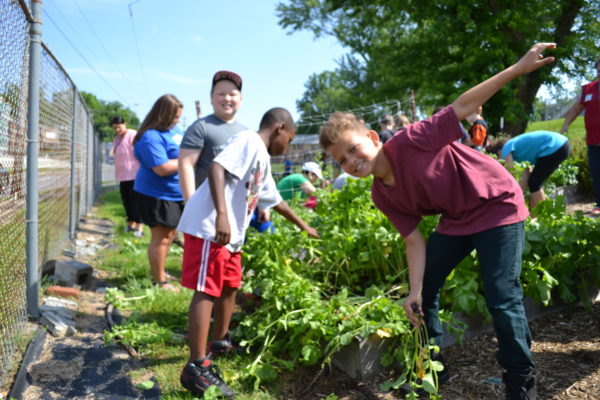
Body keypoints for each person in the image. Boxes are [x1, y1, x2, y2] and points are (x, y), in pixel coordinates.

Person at [319, 43, 557, 400]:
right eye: (342, 160)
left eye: (353, 149)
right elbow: (414, 240)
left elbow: (461, 107)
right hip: (458, 218)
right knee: (424, 291)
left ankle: (520, 379)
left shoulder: (412, 140)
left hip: (496, 204)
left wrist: (517, 69)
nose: (352, 162)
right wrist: (413, 291)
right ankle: (432, 366)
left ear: (371, 137)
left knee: (501, 295)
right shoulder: (380, 194)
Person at [177, 107, 319, 399]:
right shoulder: (249, 141)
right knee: (207, 290)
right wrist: (222, 215)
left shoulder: (262, 158)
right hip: (211, 227)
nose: (287, 146)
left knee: (230, 284)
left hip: (231, 237)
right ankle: (196, 368)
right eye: (289, 139)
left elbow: (275, 200)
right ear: (280, 128)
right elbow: (217, 168)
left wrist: (305, 226)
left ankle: (219, 343)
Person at [133, 94, 184, 291]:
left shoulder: (174, 131)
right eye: (175, 116)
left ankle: (160, 271)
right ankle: (159, 282)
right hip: (156, 194)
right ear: (163, 115)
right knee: (161, 238)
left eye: (179, 116)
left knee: (170, 235)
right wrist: (188, 161)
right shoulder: (150, 137)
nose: (178, 121)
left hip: (174, 193)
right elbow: (161, 168)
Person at [178, 70, 247, 202]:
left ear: (240, 99)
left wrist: (261, 205)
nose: (227, 98)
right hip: (207, 206)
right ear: (211, 98)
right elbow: (186, 164)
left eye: (232, 94)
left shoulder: (245, 132)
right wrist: (191, 203)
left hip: (237, 205)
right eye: (221, 94)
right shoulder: (200, 127)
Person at [560, 58, 600, 214]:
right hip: (593, 140)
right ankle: (599, 204)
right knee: (596, 172)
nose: (599, 72)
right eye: (598, 70)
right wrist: (565, 126)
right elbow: (576, 109)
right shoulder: (588, 89)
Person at [490, 131, 570, 209]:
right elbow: (525, 177)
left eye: (498, 161)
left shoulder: (505, 149)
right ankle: (540, 215)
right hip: (561, 144)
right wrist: (519, 195)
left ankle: (537, 218)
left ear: (499, 152)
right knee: (534, 182)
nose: (501, 165)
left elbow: (511, 177)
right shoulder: (517, 153)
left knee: (534, 183)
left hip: (554, 145)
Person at [110, 116, 144, 237]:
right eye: (115, 128)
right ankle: (131, 224)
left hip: (134, 174)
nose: (117, 130)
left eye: (119, 127)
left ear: (124, 124)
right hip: (122, 175)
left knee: (136, 201)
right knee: (126, 201)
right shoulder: (117, 138)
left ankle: (140, 227)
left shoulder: (132, 135)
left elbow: (140, 152)